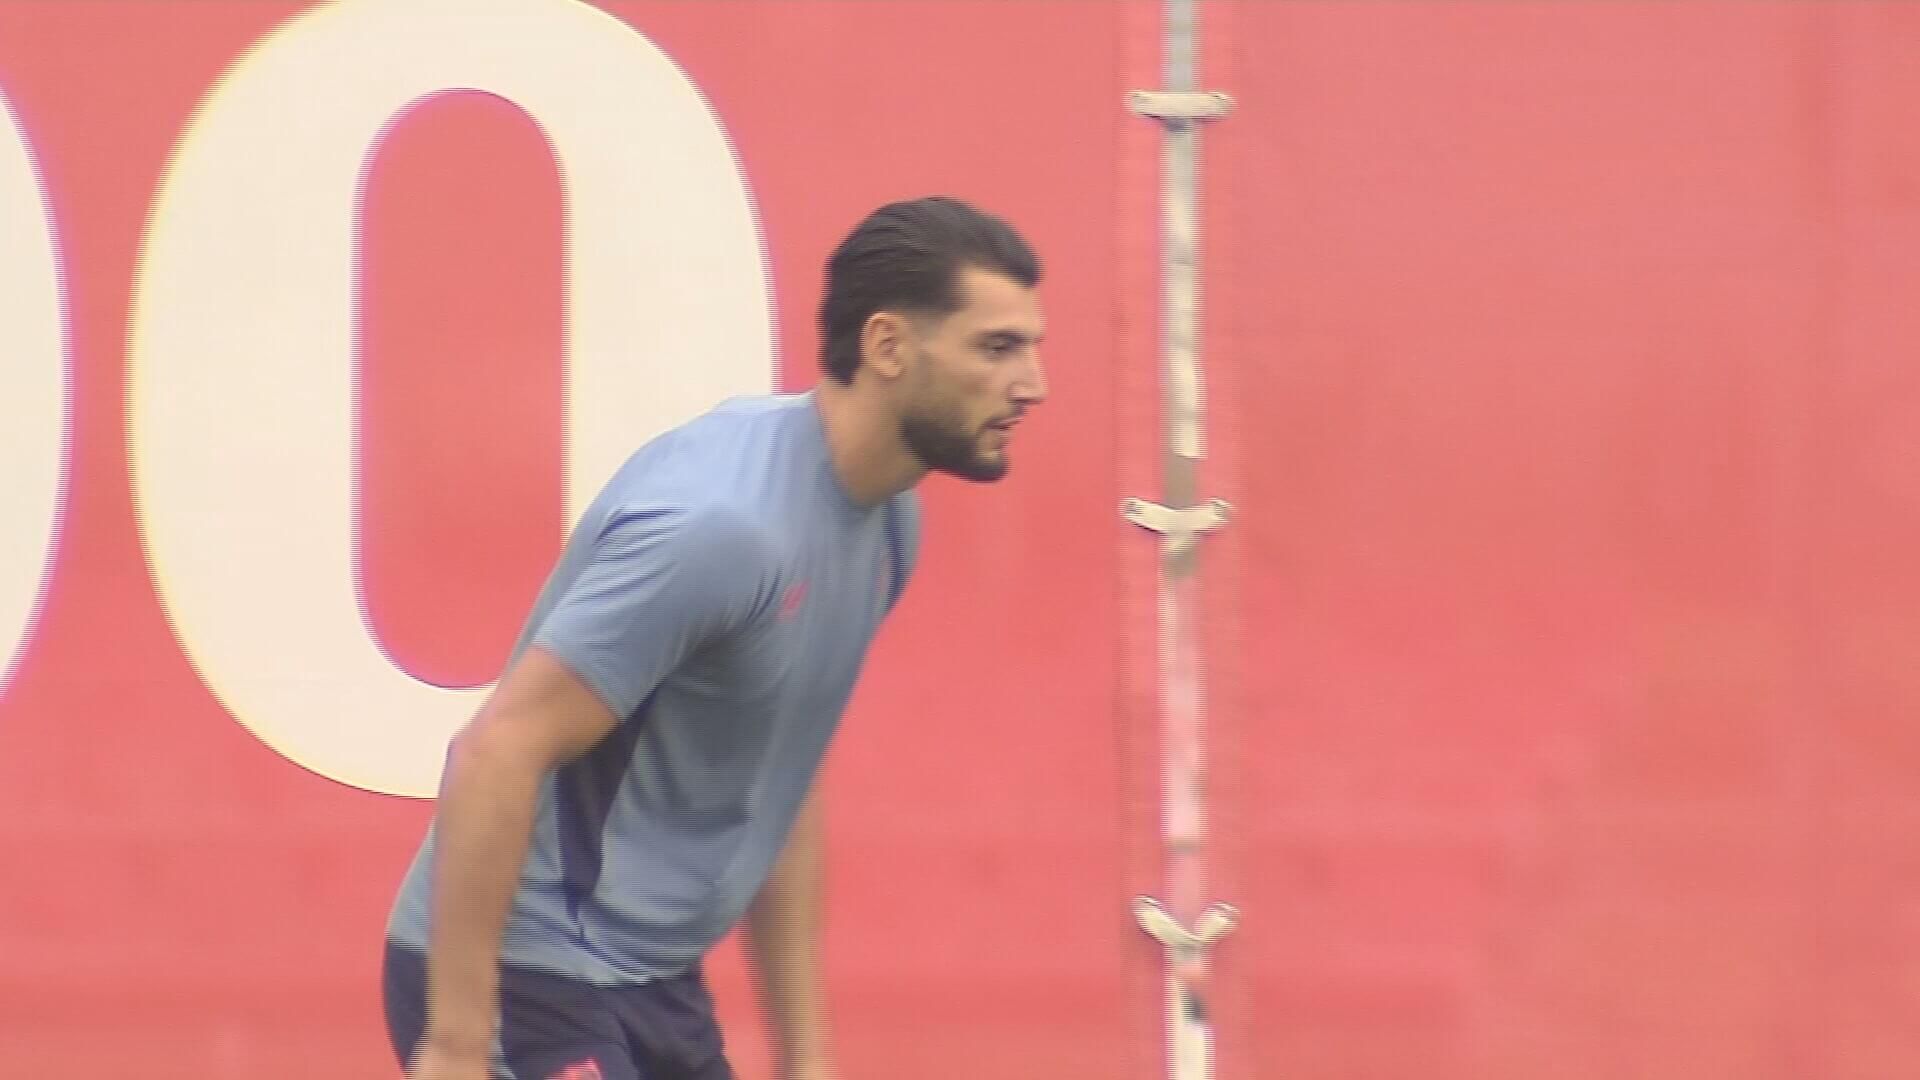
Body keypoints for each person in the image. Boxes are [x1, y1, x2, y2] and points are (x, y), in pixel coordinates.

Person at [382, 195, 1049, 1080]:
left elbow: (778, 780)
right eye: (997, 347)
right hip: (523, 980)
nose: (1033, 383)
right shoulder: (724, 530)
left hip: (650, 984)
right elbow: (497, 752)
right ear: (888, 347)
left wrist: (808, 1060)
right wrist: (458, 1044)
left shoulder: (889, 525)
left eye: (1031, 347)